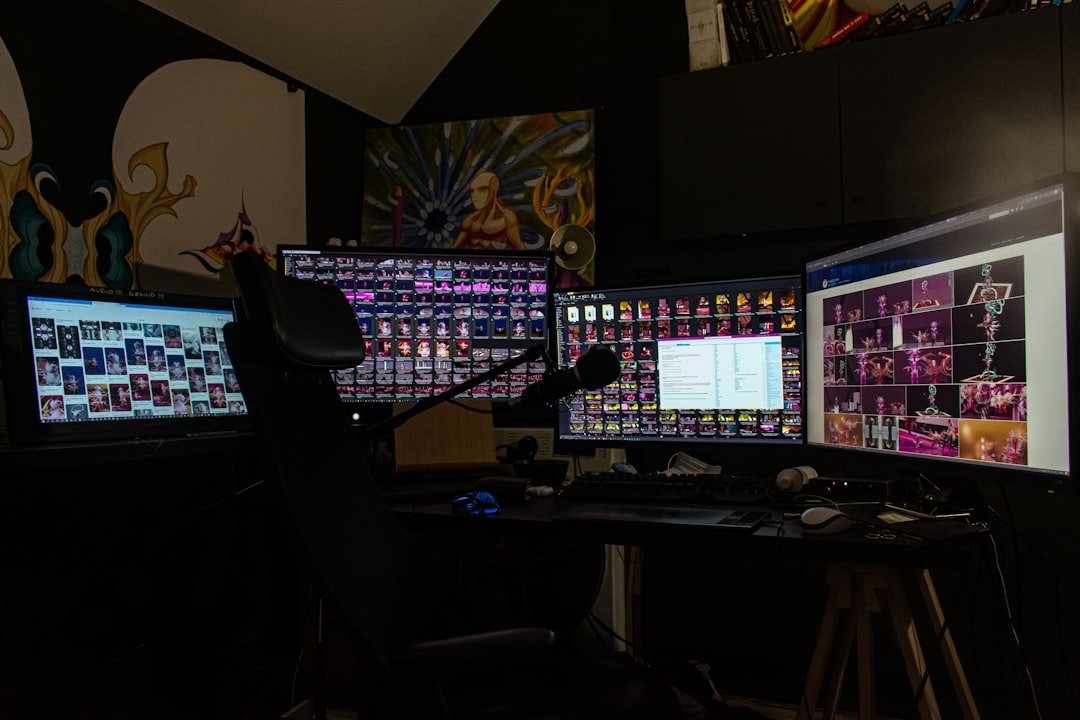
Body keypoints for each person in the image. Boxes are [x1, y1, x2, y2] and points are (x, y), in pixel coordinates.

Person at [451, 171, 523, 250]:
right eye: (472, 191)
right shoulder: (470, 220)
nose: (475, 196)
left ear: (493, 190)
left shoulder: (507, 217)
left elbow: (519, 247)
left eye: (482, 190)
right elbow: (453, 250)